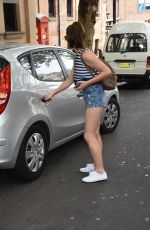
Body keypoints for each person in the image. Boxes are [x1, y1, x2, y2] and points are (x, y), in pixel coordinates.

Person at [42, 22, 111, 183]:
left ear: (70, 37)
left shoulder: (86, 54)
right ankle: (96, 165)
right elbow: (70, 79)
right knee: (94, 133)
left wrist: (87, 83)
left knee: (88, 134)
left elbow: (106, 71)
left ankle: (100, 171)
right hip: (91, 94)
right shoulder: (78, 54)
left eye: (66, 35)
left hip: (93, 94)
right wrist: (52, 92)